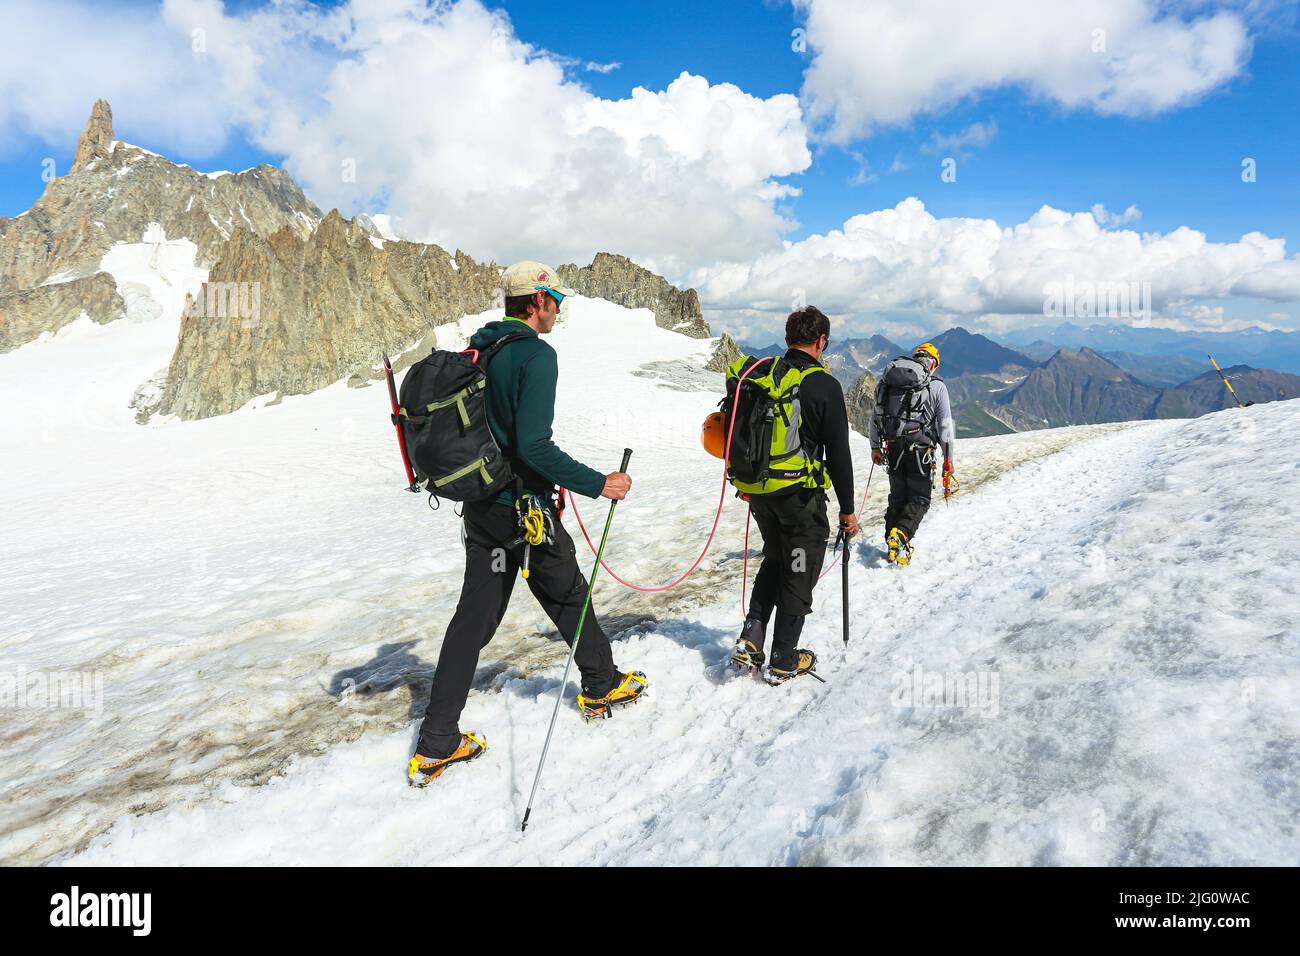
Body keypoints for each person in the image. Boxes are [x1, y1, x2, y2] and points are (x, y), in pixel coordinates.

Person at [407, 260, 647, 787]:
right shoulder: (535, 356)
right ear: (536, 301)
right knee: (566, 591)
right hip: (524, 507)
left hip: (482, 505)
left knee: (474, 618)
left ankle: (437, 740)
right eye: (554, 297)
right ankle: (602, 684)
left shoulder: (481, 348)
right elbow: (533, 446)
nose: (559, 307)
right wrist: (598, 482)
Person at [728, 306, 858, 685]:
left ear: (788, 338)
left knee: (776, 557)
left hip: (760, 494)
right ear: (821, 341)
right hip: (799, 500)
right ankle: (784, 659)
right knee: (800, 568)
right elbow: (838, 453)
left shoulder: (763, 374)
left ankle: (752, 637)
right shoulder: (823, 385)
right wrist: (847, 511)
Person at [868, 342, 956, 565]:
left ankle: (891, 539)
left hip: (893, 448)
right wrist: (948, 459)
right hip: (920, 452)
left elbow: (875, 417)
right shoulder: (936, 387)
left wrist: (875, 447)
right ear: (934, 364)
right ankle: (901, 534)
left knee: (897, 498)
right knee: (919, 498)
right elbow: (945, 425)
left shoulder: (888, 383)